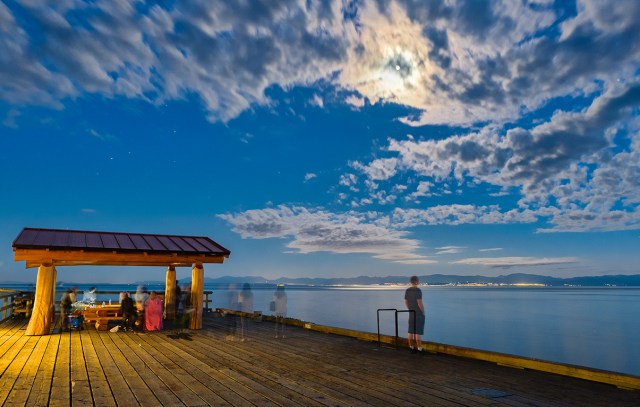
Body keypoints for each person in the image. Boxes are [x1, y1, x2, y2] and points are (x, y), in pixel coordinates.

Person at [404, 275, 425, 354]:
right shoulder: (418, 290)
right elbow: (419, 302)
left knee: (411, 331)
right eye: (418, 280)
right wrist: (423, 312)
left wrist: (409, 308)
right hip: (418, 313)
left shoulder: (407, 290)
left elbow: (405, 301)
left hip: (411, 312)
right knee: (418, 332)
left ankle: (411, 348)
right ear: (416, 281)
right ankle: (419, 349)